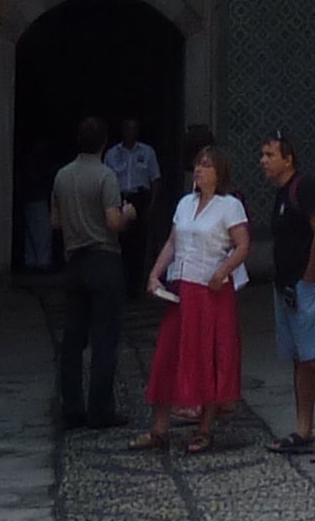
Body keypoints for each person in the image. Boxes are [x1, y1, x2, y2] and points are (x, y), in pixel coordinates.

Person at [142, 143, 249, 451]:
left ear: (220, 172)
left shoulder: (229, 206)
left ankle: (204, 427)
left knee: (207, 355)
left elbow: (242, 245)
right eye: (198, 164)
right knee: (169, 353)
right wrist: (155, 274)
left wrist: (222, 271)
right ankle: (159, 428)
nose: (199, 170)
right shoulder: (184, 204)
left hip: (210, 290)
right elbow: (173, 242)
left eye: (207, 165)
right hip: (181, 287)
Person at [258, 132, 315, 464]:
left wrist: (308, 278)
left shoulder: (304, 188)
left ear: (287, 159)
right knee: (300, 360)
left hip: (309, 288)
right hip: (287, 290)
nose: (263, 161)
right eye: (262, 155)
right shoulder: (282, 193)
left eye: (269, 154)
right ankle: (303, 428)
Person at [49, 114, 128, 429]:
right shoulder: (106, 176)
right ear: (105, 142)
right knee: (104, 338)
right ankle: (100, 409)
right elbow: (112, 222)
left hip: (74, 261)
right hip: (104, 258)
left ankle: (72, 406)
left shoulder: (62, 176)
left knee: (72, 339)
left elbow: (55, 221)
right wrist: (128, 215)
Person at [103, 112, 161, 308]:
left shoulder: (147, 152)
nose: (130, 132)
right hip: (119, 197)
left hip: (140, 197)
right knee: (119, 243)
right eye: (127, 128)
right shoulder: (112, 154)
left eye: (134, 128)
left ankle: (135, 286)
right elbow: (105, 180)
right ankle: (120, 285)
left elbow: (155, 180)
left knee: (138, 244)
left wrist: (151, 205)